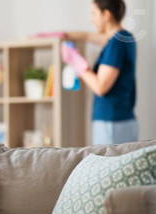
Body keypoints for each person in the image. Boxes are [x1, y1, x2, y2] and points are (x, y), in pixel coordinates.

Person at [63, 0, 137, 145]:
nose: (92, 19)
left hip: (112, 121)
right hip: (118, 120)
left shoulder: (117, 42)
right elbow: (90, 36)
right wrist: (62, 35)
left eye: (94, 13)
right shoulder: (123, 38)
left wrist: (77, 62)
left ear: (106, 15)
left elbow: (100, 87)